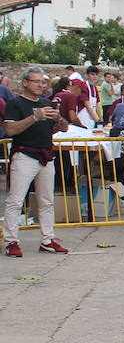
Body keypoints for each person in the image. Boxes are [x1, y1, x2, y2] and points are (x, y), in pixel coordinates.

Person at [3, 67, 71, 256]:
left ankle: (48, 239)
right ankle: (11, 241)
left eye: (42, 82)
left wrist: (58, 117)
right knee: (15, 201)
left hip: (46, 156)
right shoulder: (15, 104)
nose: (40, 85)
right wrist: (34, 117)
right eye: (36, 81)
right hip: (24, 155)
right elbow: (10, 130)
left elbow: (64, 128)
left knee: (47, 201)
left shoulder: (46, 102)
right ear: (25, 83)